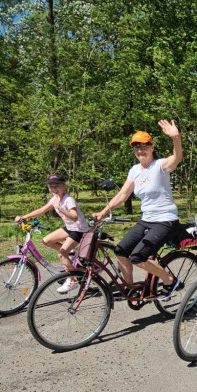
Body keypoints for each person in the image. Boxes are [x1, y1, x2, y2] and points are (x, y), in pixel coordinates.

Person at [92, 119, 184, 298]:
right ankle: (130, 287)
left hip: (165, 220)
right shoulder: (135, 170)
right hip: (147, 219)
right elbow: (122, 195)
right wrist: (103, 212)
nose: (140, 150)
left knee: (138, 257)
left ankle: (170, 281)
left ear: (152, 147)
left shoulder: (160, 166)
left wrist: (176, 138)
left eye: (144, 146)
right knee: (120, 250)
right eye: (136, 147)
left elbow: (177, 158)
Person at [15, 174, 88, 293]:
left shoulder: (69, 199)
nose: (53, 189)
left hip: (79, 229)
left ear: (64, 187)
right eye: (51, 186)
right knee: (46, 241)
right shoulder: (54, 199)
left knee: (61, 254)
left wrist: (62, 209)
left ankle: (72, 281)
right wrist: (24, 217)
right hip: (70, 228)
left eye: (56, 186)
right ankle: (71, 254)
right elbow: (41, 210)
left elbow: (74, 217)